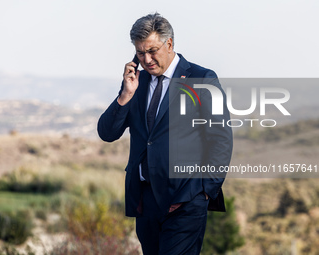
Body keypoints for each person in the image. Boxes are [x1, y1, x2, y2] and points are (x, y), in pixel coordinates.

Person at [98, 13, 233, 255]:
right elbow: (107, 133)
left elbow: (220, 139)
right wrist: (125, 95)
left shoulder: (201, 78)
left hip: (186, 200)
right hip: (145, 201)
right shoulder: (135, 83)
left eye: (152, 50)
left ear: (169, 43)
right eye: (140, 53)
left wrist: (202, 193)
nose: (146, 59)